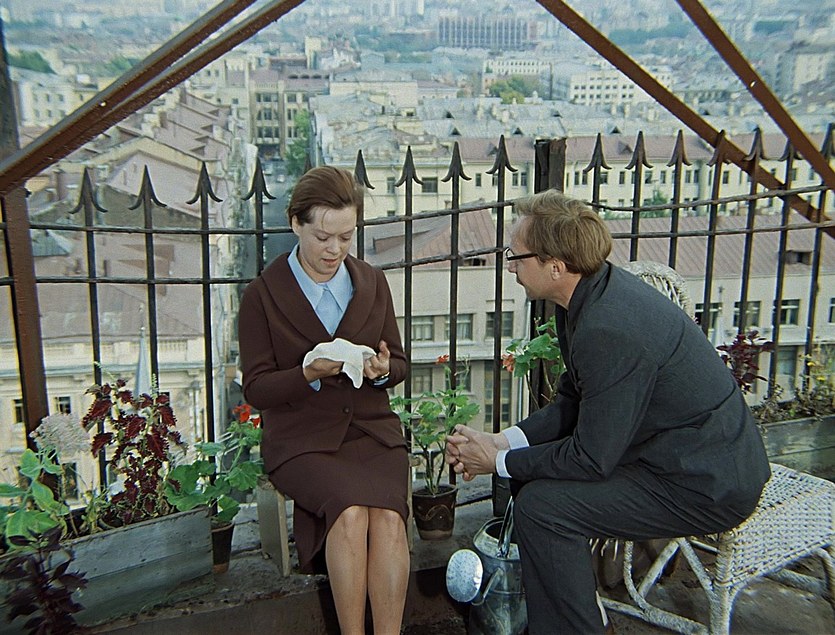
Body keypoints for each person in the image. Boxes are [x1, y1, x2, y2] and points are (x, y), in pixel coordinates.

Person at [445, 190, 771, 634]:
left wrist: (496, 461)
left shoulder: (606, 327)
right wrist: (502, 442)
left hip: (705, 483)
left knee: (543, 509)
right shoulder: (590, 295)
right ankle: (581, 617)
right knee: (535, 490)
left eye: (515, 256)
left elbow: (590, 459)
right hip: (673, 457)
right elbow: (573, 401)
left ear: (555, 266)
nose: (510, 266)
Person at [238, 166, 409, 634]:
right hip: (301, 440)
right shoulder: (262, 296)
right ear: (295, 224)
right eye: (323, 237)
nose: (335, 250)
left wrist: (381, 370)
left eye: (346, 237)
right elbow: (256, 388)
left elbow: (400, 364)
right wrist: (307, 374)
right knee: (350, 514)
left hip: (372, 430)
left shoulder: (372, 282)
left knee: (389, 519)